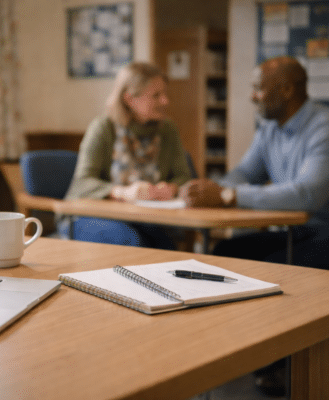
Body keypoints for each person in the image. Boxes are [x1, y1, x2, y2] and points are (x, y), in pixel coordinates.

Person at [179, 55, 329, 397]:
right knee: (225, 253)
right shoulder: (270, 129)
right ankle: (231, 351)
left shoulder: (323, 125)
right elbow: (243, 174)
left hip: (324, 230)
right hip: (294, 229)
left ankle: (278, 361)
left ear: (287, 89)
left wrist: (229, 195)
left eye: (258, 88)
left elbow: (308, 194)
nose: (252, 97)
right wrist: (212, 191)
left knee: (278, 267)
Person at [62, 62, 192, 249]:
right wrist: (123, 193)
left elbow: (184, 177)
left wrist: (169, 189)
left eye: (164, 94)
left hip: (144, 217)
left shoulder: (168, 129)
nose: (165, 101)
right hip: (89, 217)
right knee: (133, 243)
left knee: (165, 245)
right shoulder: (103, 128)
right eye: (156, 95)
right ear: (129, 99)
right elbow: (82, 183)